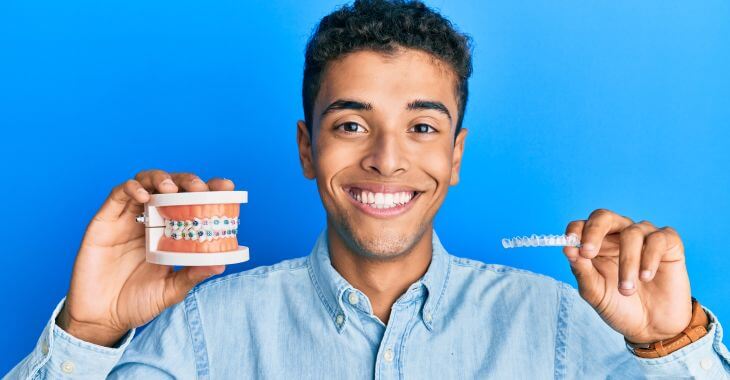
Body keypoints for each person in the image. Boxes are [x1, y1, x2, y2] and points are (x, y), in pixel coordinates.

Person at [6, 0, 730, 378]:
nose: (387, 160)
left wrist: (672, 345)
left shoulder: (567, 329)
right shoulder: (204, 335)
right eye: (352, 125)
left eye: (421, 128)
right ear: (306, 149)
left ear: (455, 156)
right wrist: (91, 331)